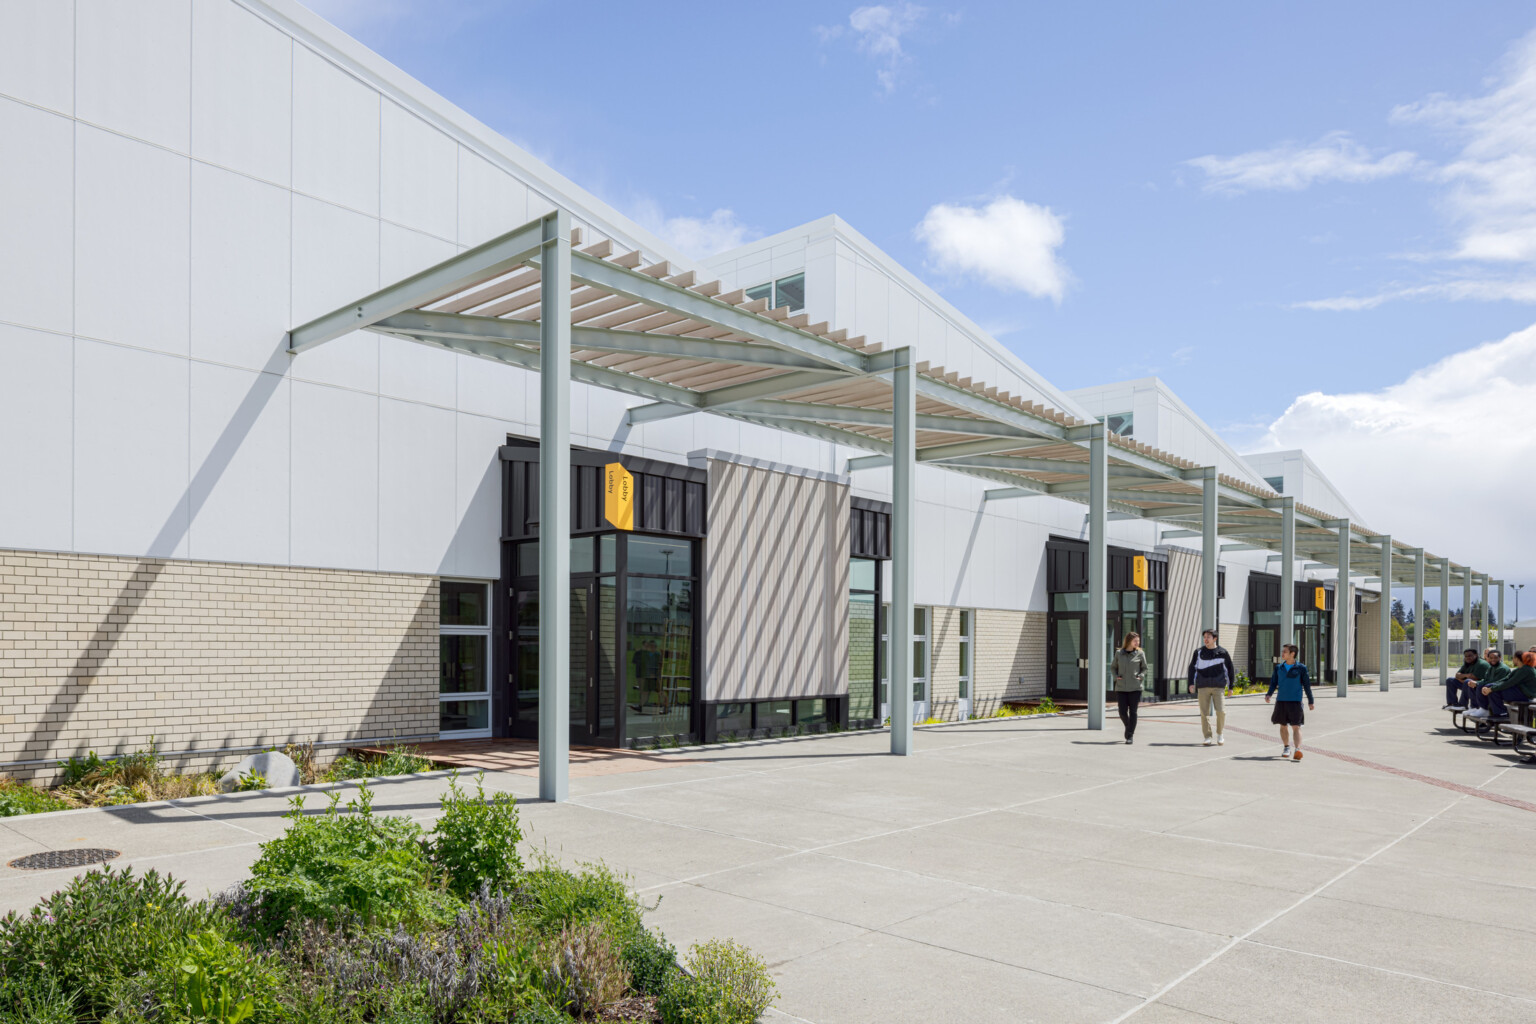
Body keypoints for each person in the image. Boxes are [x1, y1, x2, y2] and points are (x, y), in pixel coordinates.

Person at [1265, 644, 1314, 761]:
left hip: (1295, 702)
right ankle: (1286, 747)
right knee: (1283, 725)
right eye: (1282, 652)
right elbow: (1273, 683)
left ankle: (1298, 749)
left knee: (1296, 726)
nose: (1282, 654)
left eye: (1285, 652)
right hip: (1281, 700)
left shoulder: (1301, 668)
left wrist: (1310, 701)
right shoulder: (1279, 668)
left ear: (1292, 653)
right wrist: (1269, 694)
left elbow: (1307, 685)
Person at [1188, 628, 1235, 746]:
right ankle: (1207, 736)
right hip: (1203, 686)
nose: (1205, 639)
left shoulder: (1223, 652)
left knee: (1221, 711)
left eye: (1208, 637)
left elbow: (1230, 670)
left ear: (1215, 638)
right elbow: (1192, 668)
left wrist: (1231, 687)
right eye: (1204, 637)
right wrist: (1191, 683)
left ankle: (1220, 734)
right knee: (1204, 713)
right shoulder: (1198, 652)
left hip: (1218, 687)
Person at [1470, 649, 1534, 721]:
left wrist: (1491, 689)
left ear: (1517, 659)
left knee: (1494, 691)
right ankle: (1492, 711)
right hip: (1519, 692)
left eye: (1513, 658)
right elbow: (1505, 679)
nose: (1512, 660)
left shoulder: (1525, 670)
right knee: (1490, 686)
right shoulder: (1519, 669)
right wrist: (1490, 687)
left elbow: (1509, 683)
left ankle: (1501, 713)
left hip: (1525, 696)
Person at [1112, 632, 1148, 744]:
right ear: (1128, 641)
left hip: (1135, 687)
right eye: (1135, 641)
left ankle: (1130, 736)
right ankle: (1129, 728)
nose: (1138, 643)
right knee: (1122, 712)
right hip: (1121, 687)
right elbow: (1113, 668)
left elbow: (1145, 668)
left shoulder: (1140, 653)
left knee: (1133, 712)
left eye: (1138, 640)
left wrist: (1141, 676)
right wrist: (1116, 677)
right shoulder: (1119, 653)